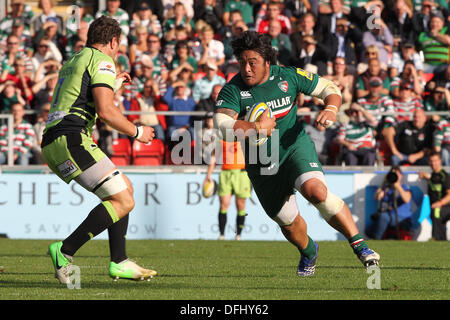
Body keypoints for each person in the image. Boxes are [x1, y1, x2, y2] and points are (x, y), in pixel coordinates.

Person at [214, 31, 380, 277]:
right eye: (242, 62)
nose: (246, 69)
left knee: (317, 191)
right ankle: (309, 251)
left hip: (294, 147)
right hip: (262, 164)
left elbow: (329, 88)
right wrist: (256, 128)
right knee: (290, 225)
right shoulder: (233, 89)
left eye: (253, 62)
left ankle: (360, 246)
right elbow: (221, 126)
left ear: (267, 62)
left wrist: (332, 109)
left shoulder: (288, 77)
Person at [42, 16, 157, 284]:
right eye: (118, 46)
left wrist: (112, 86)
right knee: (124, 201)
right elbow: (106, 112)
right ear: (114, 41)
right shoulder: (103, 60)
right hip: (72, 138)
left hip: (55, 140)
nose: (117, 51)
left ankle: (120, 261)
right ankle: (65, 250)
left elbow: (81, 96)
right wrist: (138, 132)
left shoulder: (74, 59)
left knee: (123, 189)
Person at [205, 138, 251, 241]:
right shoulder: (221, 139)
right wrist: (208, 175)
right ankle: (222, 235)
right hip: (226, 173)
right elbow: (214, 157)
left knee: (241, 205)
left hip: (241, 173)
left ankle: (238, 235)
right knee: (224, 204)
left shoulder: (244, 137)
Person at [365, 166, 413, 240]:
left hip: (402, 218)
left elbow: (407, 199)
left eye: (397, 174)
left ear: (401, 176)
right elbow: (377, 197)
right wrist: (384, 183)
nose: (395, 176)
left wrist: (398, 186)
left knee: (383, 217)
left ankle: (376, 240)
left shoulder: (405, 187)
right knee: (369, 228)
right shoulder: (387, 188)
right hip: (389, 217)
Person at [418, 152, 450, 240]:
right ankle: (441, 240)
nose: (433, 163)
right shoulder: (433, 176)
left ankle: (437, 239)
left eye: (435, 161)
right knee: (436, 213)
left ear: (440, 161)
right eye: (431, 161)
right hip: (438, 207)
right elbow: (434, 182)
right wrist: (425, 177)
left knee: (436, 212)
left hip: (446, 206)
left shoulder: (445, 176)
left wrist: (440, 203)